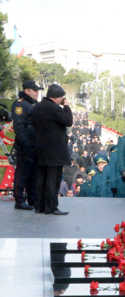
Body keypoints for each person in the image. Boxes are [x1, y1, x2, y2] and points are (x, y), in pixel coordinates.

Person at [33, 84, 73, 215]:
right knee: (53, 179)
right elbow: (68, 121)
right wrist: (66, 106)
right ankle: (51, 207)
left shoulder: (38, 106)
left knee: (41, 178)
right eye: (62, 97)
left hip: (40, 148)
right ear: (56, 97)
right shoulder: (54, 108)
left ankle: (39, 206)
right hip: (54, 150)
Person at [11, 80, 42, 210]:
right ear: (27, 91)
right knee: (22, 173)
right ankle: (19, 200)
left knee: (32, 174)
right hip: (25, 145)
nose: (37, 93)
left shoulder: (31, 104)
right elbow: (19, 127)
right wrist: (25, 144)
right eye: (35, 91)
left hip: (33, 144)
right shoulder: (20, 105)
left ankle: (32, 200)